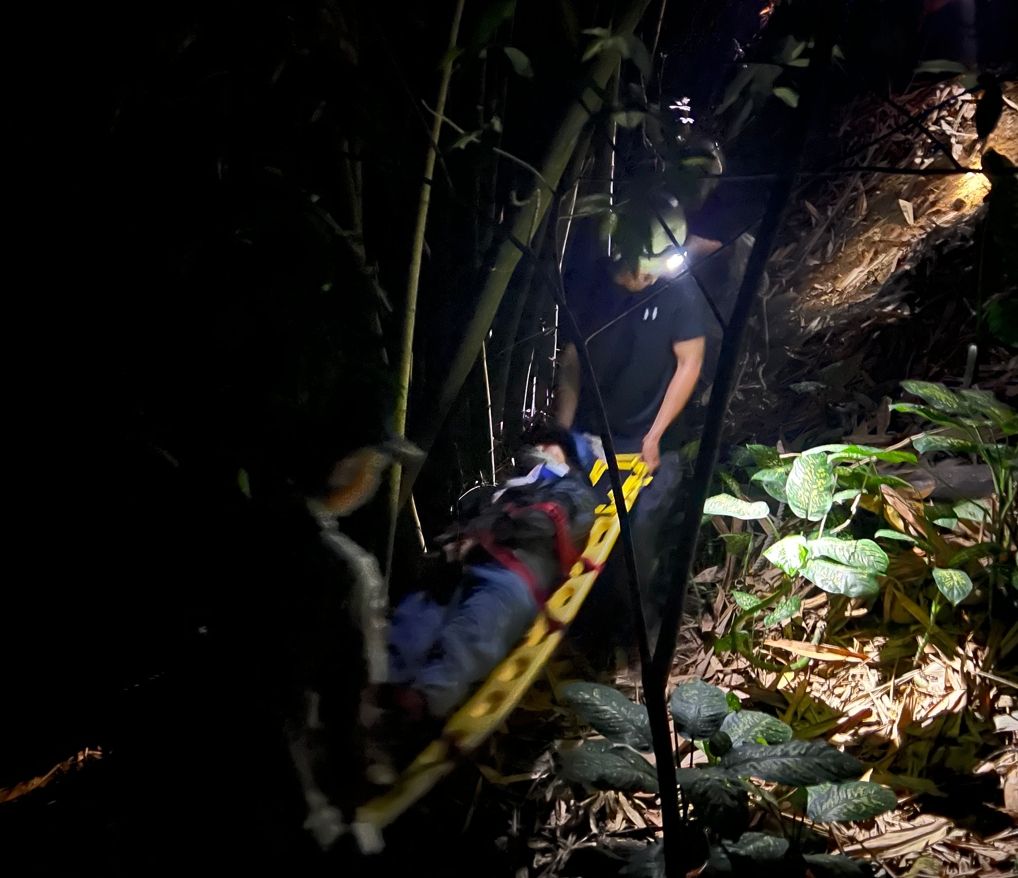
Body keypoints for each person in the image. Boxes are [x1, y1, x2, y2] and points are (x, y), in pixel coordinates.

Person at [370, 423, 597, 746]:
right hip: (460, 568)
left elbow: (547, 522)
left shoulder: (573, 489)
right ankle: (374, 697)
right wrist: (453, 544)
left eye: (552, 444)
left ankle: (416, 711)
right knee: (415, 620)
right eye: (539, 442)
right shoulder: (500, 490)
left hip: (514, 573)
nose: (542, 447)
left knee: (472, 632)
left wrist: (489, 534)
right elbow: (461, 520)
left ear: (571, 459)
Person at [554, 200, 717, 640]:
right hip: (591, 434)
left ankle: (635, 639)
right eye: (638, 269)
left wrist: (655, 435)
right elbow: (569, 363)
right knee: (572, 528)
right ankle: (578, 636)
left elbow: (690, 361)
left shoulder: (675, 291)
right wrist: (561, 436)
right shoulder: (589, 287)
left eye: (652, 270)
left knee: (637, 540)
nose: (644, 279)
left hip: (648, 439)